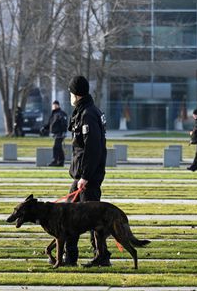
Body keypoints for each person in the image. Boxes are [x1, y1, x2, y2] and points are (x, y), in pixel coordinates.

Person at [64, 75, 108, 268]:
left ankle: (102, 256)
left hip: (87, 178)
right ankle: (70, 257)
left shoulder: (88, 114)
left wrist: (85, 177)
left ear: (76, 94)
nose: (69, 96)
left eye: (70, 93)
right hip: (82, 175)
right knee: (68, 216)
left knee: (93, 219)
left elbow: (93, 149)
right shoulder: (84, 111)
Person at [44, 99, 68, 167]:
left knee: (56, 147)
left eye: (55, 105)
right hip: (56, 133)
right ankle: (60, 162)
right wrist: (45, 128)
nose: (54, 106)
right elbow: (50, 124)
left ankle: (55, 161)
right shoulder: (53, 114)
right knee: (59, 147)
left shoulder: (61, 114)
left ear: (58, 105)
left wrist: (63, 132)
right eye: (53, 105)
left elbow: (64, 123)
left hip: (60, 133)